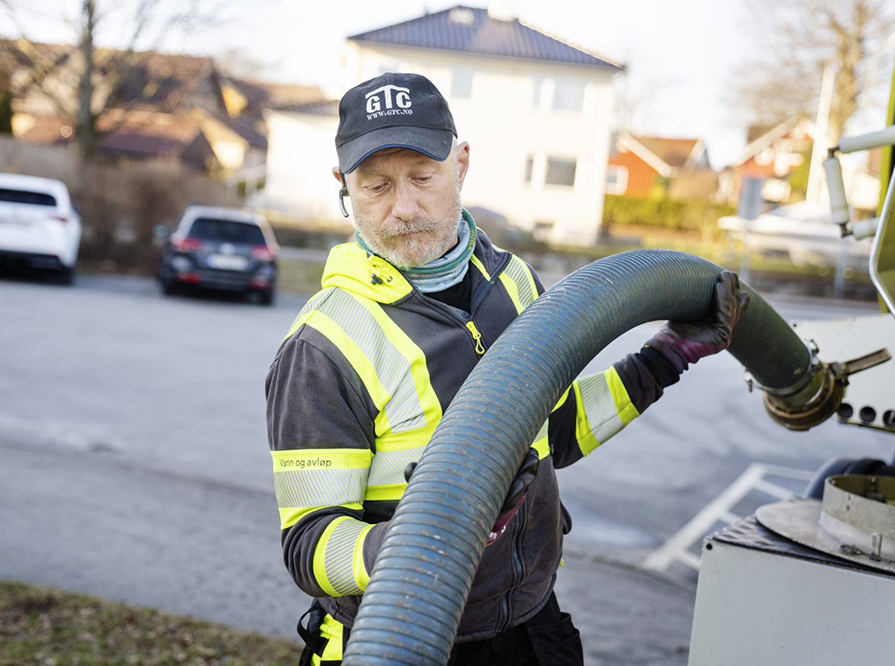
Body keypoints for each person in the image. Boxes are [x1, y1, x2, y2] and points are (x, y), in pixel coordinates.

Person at [265, 71, 747, 666]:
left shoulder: (515, 284)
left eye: (422, 177)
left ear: (461, 164)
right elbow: (310, 546)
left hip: (530, 626)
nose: (405, 208)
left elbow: (558, 431)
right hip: (407, 643)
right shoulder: (324, 346)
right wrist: (429, 533)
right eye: (376, 187)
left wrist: (665, 357)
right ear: (343, 187)